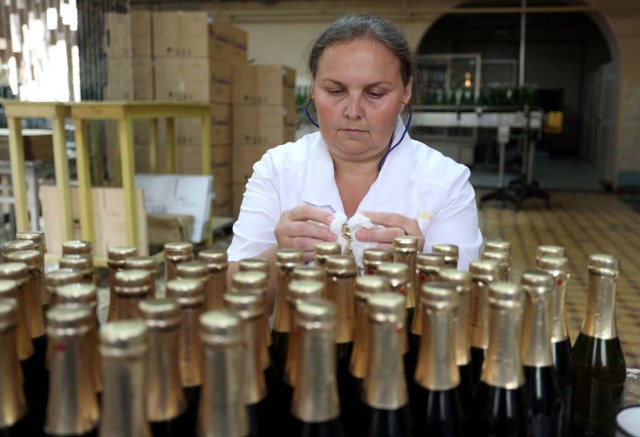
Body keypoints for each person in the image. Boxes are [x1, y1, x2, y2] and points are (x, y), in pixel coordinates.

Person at [226, 13, 482, 310]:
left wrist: (416, 265)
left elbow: (463, 309)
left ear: (406, 91)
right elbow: (235, 294)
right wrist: (280, 255)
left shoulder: (446, 183)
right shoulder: (277, 170)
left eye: (375, 93)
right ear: (313, 87)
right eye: (336, 91)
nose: (353, 110)